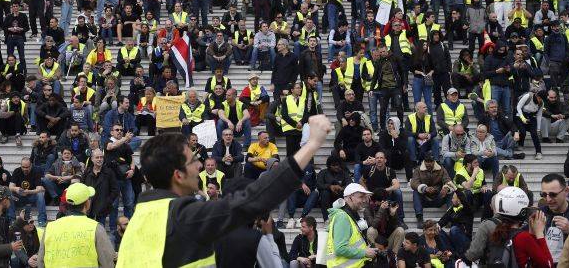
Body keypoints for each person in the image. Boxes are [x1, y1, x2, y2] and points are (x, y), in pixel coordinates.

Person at [116, 114, 332, 267]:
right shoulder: (182, 215)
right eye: (193, 161)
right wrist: (312, 145)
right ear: (178, 175)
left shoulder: (139, 216)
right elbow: (253, 199)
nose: (200, 166)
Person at [37, 182, 115, 267]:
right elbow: (108, 262)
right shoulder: (96, 228)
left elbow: (40, 262)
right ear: (87, 203)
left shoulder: (50, 228)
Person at [323, 183, 376, 266]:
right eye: (361, 197)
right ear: (350, 197)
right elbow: (340, 249)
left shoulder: (349, 216)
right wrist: (364, 252)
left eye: (365, 197)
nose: (364, 200)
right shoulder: (342, 217)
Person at [539, 173, 569, 264]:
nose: (548, 199)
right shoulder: (539, 214)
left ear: (566, 191)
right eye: (544, 194)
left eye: (553, 194)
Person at [9, 158, 48, 227]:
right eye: (23, 167)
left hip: (31, 197)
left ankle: (42, 220)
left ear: (31, 165)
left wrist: (28, 192)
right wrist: (16, 189)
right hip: (19, 197)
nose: (25, 169)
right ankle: (12, 220)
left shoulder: (36, 172)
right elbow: (10, 187)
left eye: (27, 167)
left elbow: (39, 189)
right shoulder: (17, 171)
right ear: (21, 165)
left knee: (40, 195)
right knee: (10, 194)